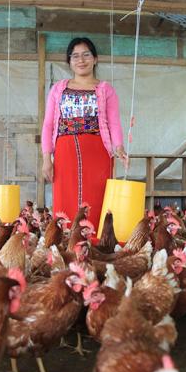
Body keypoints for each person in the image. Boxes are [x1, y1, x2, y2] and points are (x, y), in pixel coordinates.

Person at [41, 37, 128, 229]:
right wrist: (47, 159)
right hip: (65, 152)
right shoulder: (58, 89)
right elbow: (48, 125)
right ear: (69, 61)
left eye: (86, 55)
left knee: (97, 197)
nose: (81, 60)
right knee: (65, 195)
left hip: (98, 151)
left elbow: (114, 122)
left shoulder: (106, 90)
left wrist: (119, 147)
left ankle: (96, 241)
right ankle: (65, 240)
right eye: (75, 56)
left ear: (95, 59)